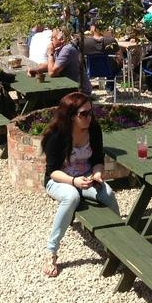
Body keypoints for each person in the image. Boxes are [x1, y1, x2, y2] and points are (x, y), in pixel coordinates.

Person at [41, 92, 120, 278]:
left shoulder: (94, 129)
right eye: (83, 114)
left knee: (108, 193)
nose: (89, 118)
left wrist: (98, 174)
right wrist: (74, 181)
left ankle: (118, 241)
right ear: (70, 116)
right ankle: (50, 252)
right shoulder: (57, 135)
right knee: (71, 196)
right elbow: (52, 171)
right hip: (59, 180)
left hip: (86, 177)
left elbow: (98, 159)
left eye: (90, 113)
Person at [30, 27, 87, 94]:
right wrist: (35, 69)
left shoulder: (67, 50)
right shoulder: (60, 49)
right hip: (69, 86)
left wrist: (50, 54)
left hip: (79, 91)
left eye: (53, 37)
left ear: (62, 39)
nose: (51, 40)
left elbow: (52, 73)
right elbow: (51, 65)